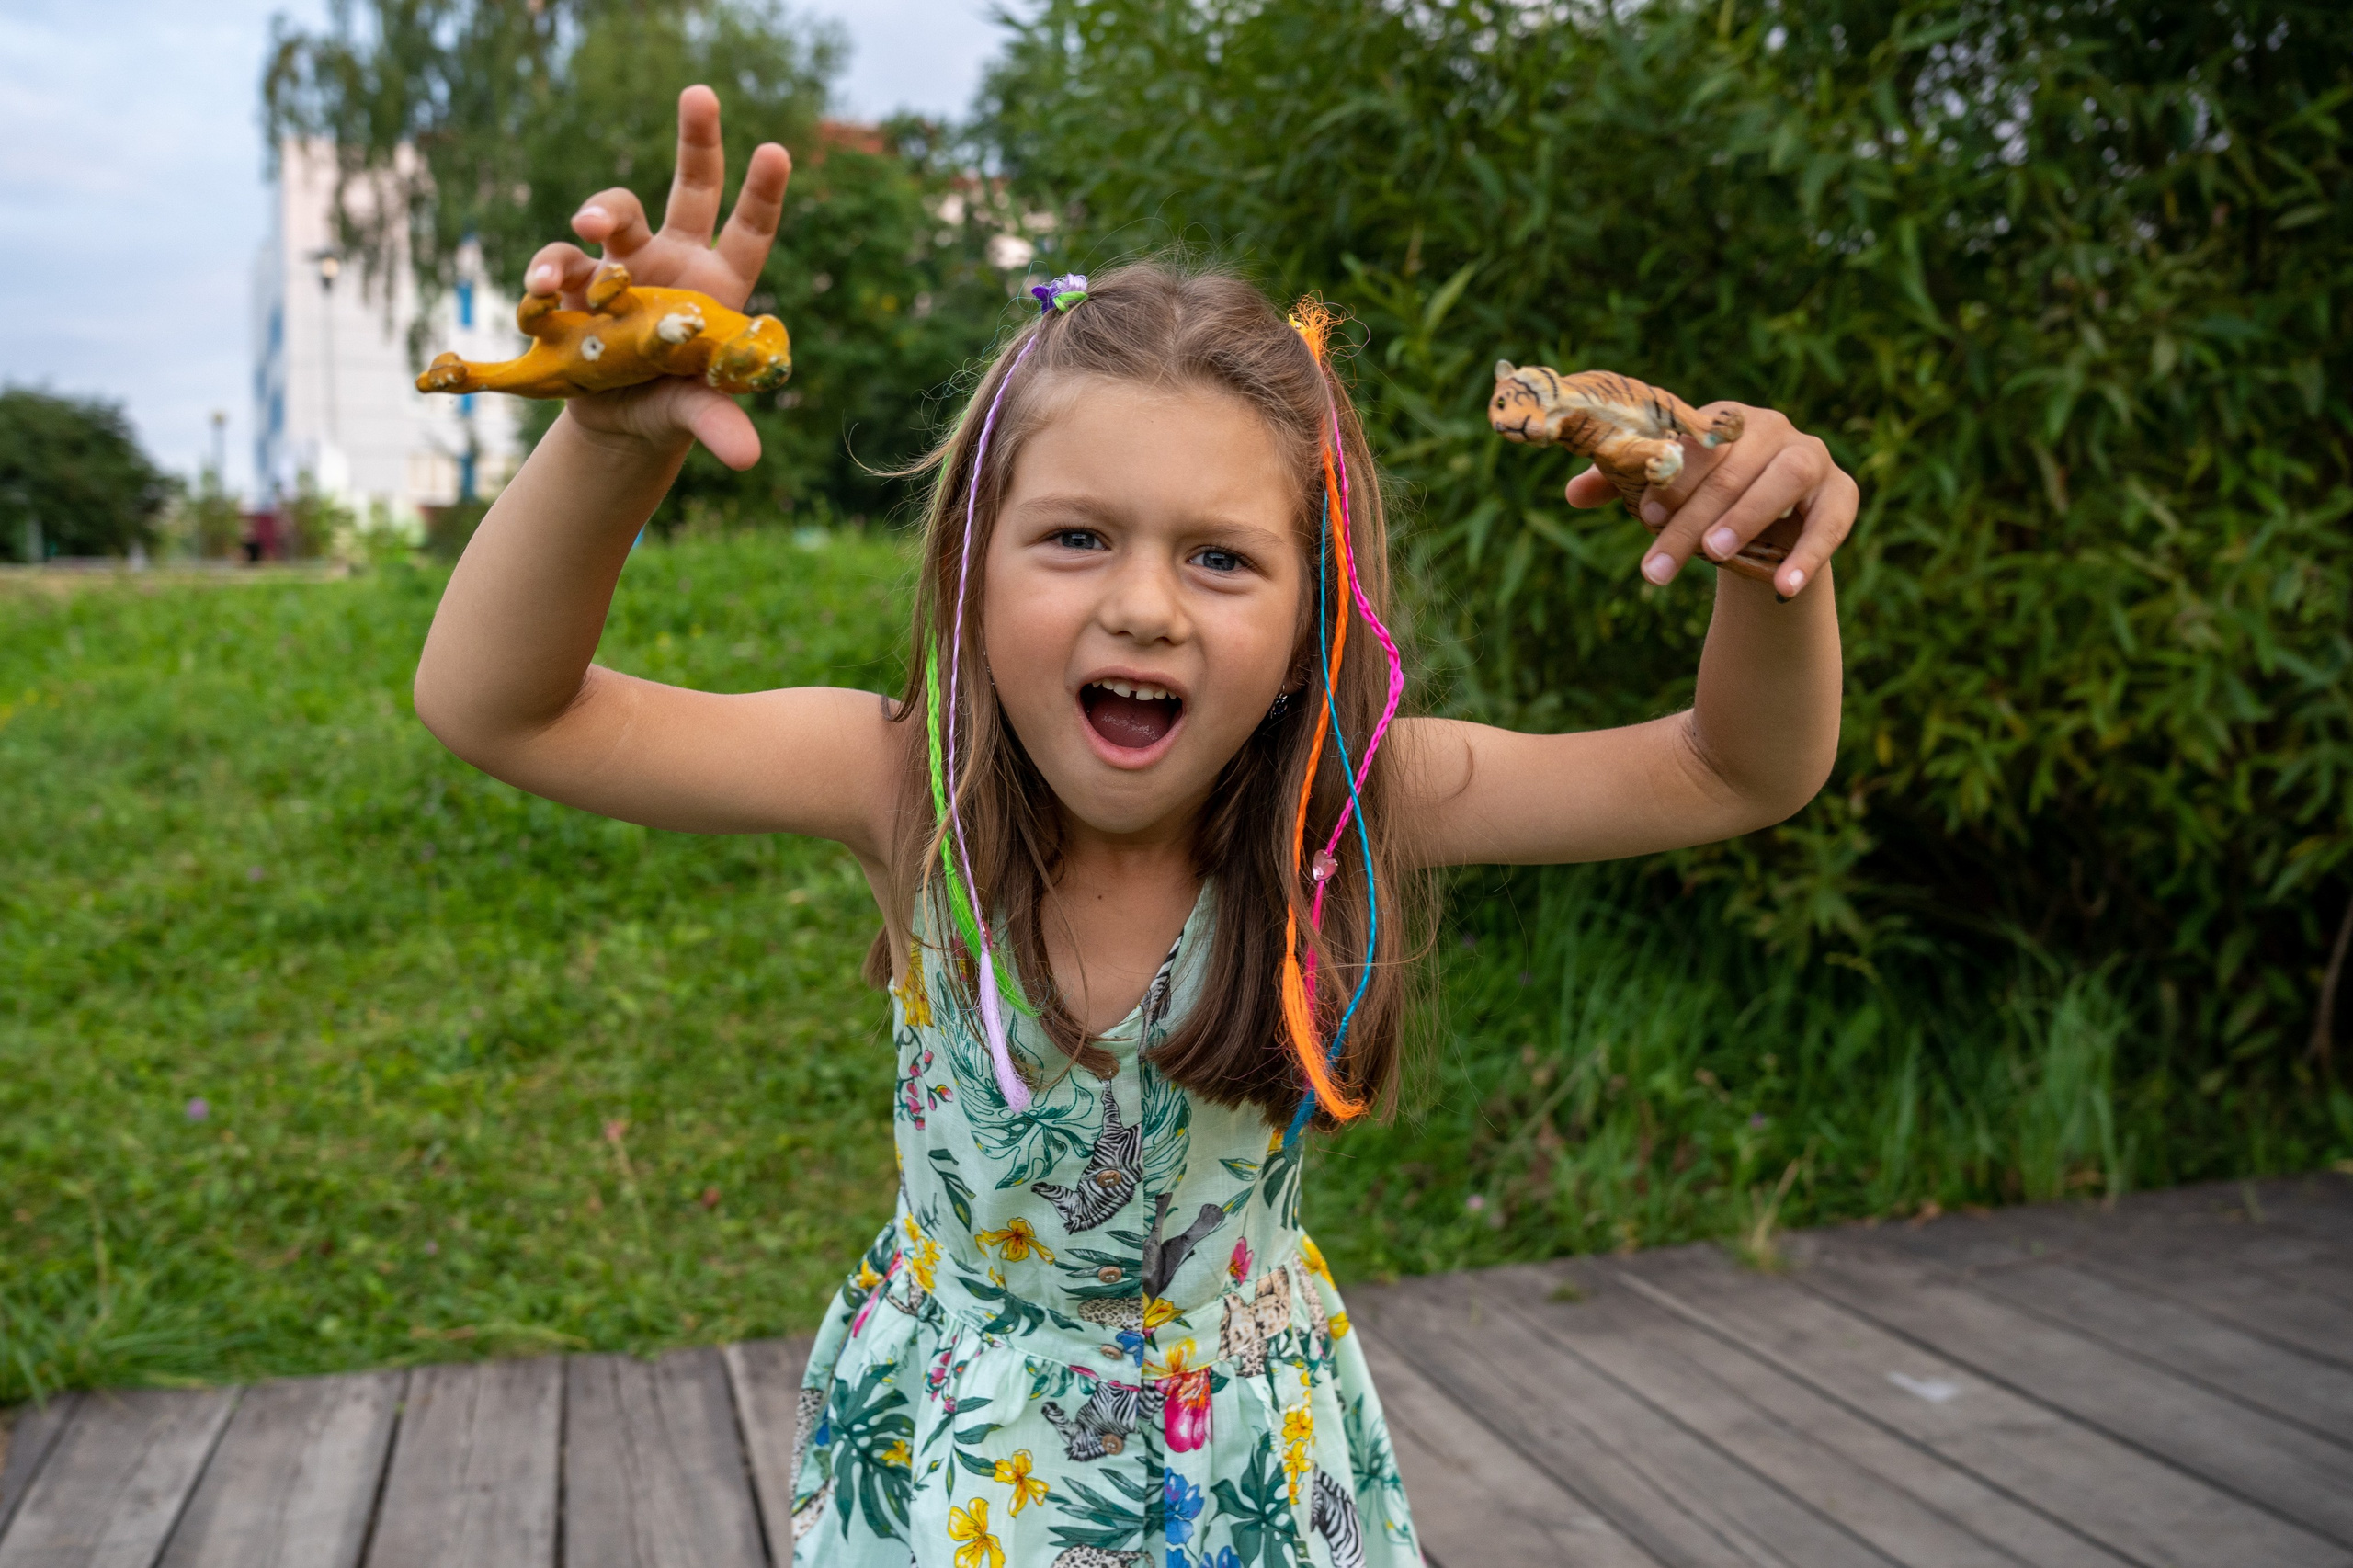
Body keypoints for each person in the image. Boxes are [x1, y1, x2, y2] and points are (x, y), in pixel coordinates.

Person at [413, 86, 1855, 1568]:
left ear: (1310, 618)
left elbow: (1731, 769)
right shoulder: (905, 788)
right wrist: (612, 435)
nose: (1146, 605)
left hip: (1253, 1491)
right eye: (1079, 535)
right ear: (974, 565)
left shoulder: (1350, 801)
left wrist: (1765, 556)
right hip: (958, 1485)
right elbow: (503, 708)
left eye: (1223, 556)